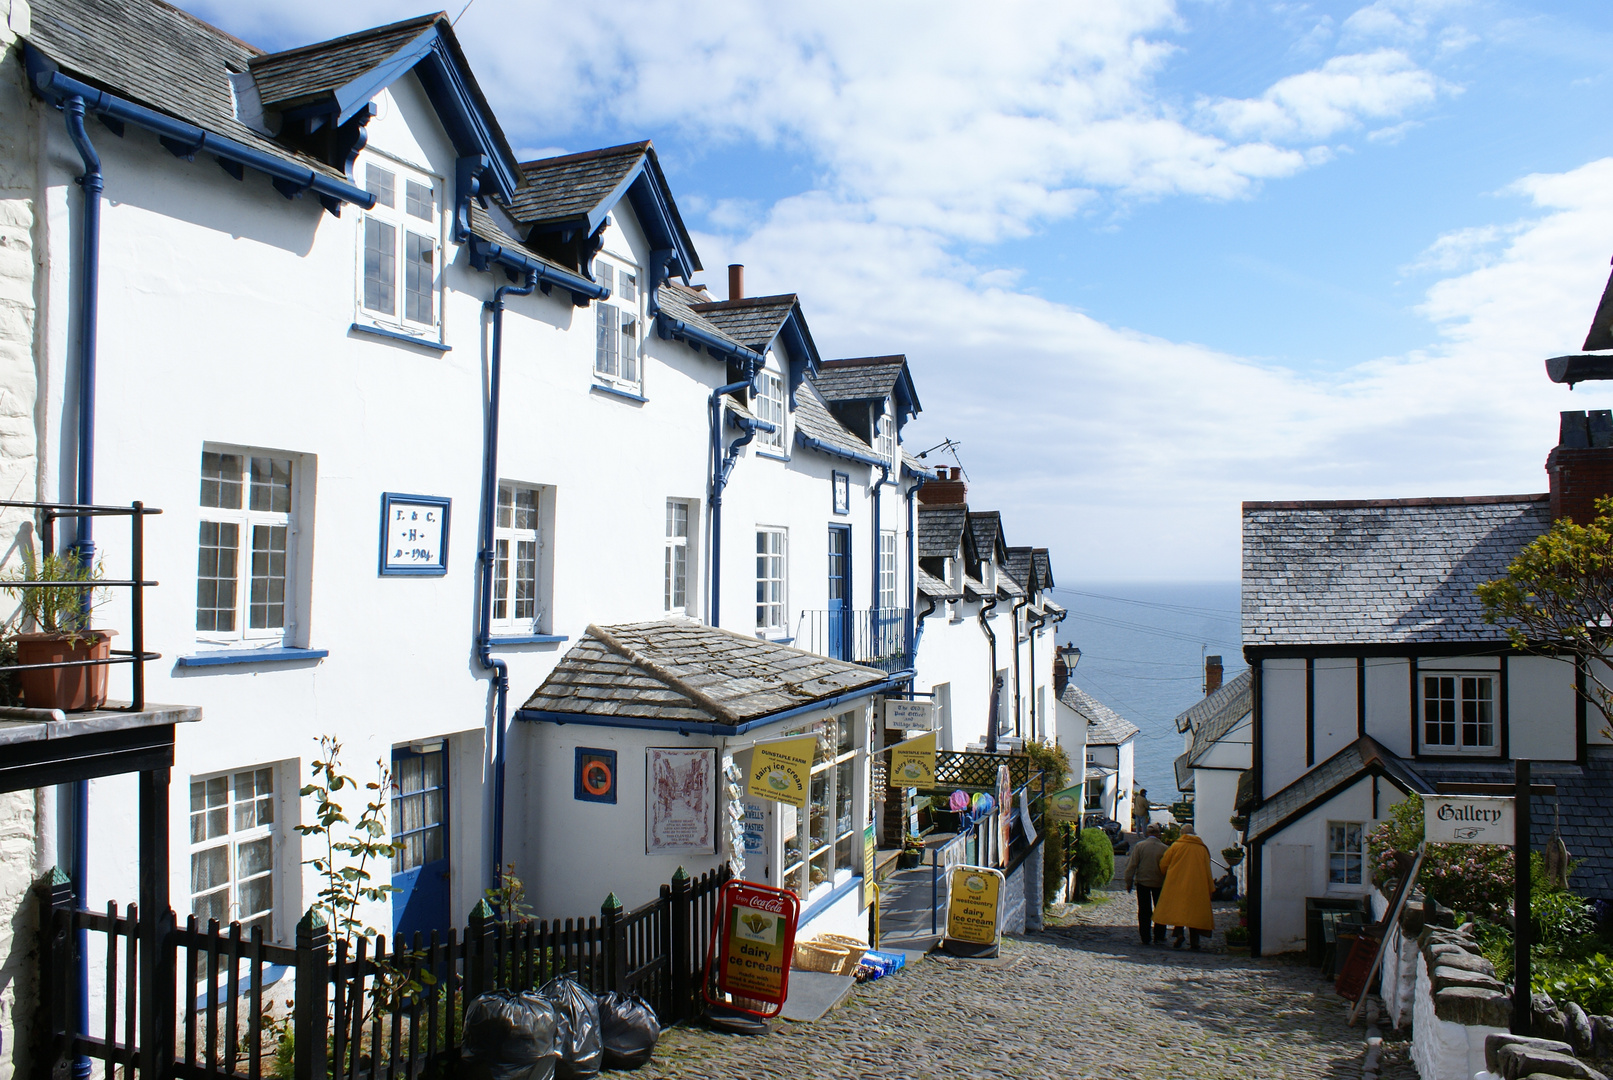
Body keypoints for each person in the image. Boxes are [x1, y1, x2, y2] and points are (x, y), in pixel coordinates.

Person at [1152, 823, 1215, 950]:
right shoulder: (1202, 849)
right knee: (1194, 915)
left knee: (1178, 912)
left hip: (1177, 884)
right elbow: (1208, 869)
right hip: (1197, 886)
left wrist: (1167, 873)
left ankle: (1179, 934)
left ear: (1182, 834)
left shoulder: (1176, 846)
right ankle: (1194, 942)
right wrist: (1210, 886)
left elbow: (1164, 864)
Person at [1123, 823, 1169, 945]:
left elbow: (1132, 865)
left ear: (1147, 833)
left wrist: (1129, 882)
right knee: (1160, 909)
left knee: (1144, 910)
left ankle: (1145, 936)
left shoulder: (1140, 846)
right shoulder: (1164, 848)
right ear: (1158, 834)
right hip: (1159, 882)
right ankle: (1159, 935)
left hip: (1143, 881)